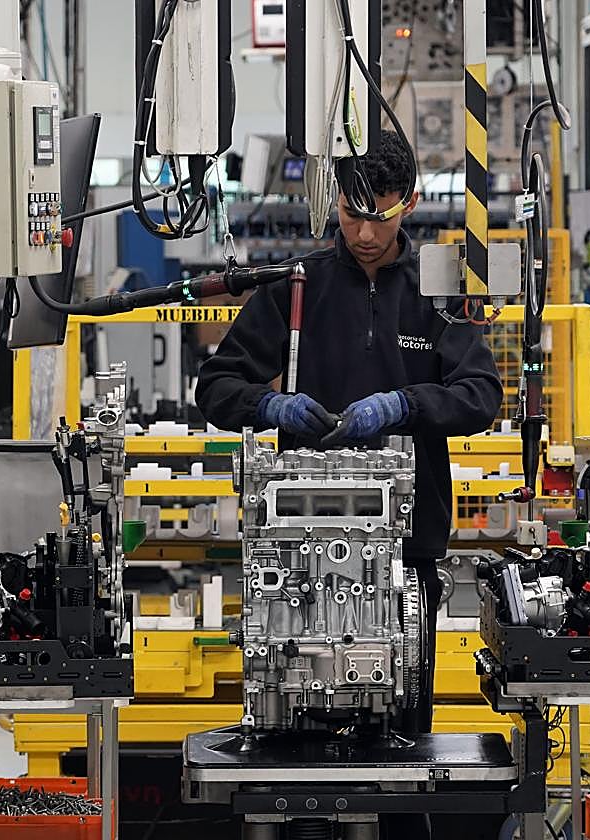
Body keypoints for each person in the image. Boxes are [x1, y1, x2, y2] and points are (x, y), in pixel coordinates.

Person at [196, 130, 503, 740]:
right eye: (350, 213)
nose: (364, 234)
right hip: (298, 545)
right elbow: (216, 387)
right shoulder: (295, 284)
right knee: (292, 738)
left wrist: (403, 405)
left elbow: (481, 395)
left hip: (405, 548)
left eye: (379, 216)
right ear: (334, 200)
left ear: (408, 203)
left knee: (404, 745)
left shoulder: (438, 290)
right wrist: (271, 405)